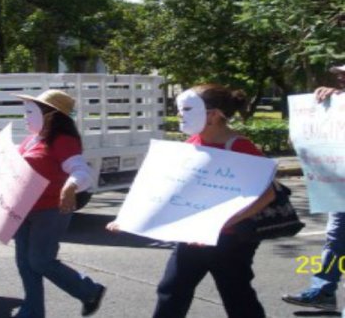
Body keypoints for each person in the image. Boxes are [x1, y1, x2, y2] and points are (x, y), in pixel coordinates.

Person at [109, 84, 275, 318]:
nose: (179, 115)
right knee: (171, 290)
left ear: (215, 115)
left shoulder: (241, 147)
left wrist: (220, 224)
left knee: (237, 297)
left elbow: (267, 195)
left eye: (187, 109)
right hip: (190, 238)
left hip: (229, 241)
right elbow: (168, 189)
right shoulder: (192, 143)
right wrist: (129, 218)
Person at [10, 89, 106, 318]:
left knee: (40, 261)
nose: (25, 116)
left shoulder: (64, 140)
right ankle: (32, 312)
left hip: (50, 210)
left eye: (30, 111)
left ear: (50, 116)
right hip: (24, 209)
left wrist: (70, 187)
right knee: (25, 263)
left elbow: (81, 171)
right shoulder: (32, 139)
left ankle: (89, 290)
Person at [282, 64, 345, 311]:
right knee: (336, 239)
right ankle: (322, 291)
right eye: (340, 73)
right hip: (341, 188)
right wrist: (325, 107)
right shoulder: (338, 102)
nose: (339, 76)